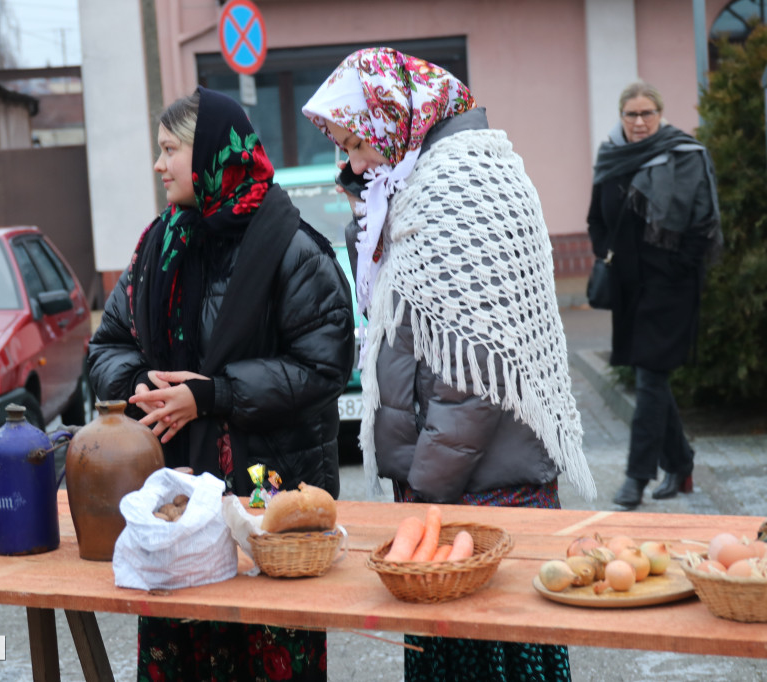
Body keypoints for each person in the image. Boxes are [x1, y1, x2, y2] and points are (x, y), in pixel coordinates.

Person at [303, 47, 596, 682]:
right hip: (459, 489)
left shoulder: (460, 190)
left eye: (356, 143)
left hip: (485, 493)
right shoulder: (421, 183)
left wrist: (425, 488)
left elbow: (475, 376)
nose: (352, 162)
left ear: (392, 121)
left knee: (495, 661)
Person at [88, 86, 354, 682]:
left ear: (212, 154)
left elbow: (324, 367)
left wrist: (213, 395)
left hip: (268, 508)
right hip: (177, 510)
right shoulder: (158, 246)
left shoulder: (291, 248)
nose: (158, 165)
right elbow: (107, 344)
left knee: (268, 653)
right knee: (182, 654)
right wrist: (142, 384)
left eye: (169, 150)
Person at [587, 81, 722, 509]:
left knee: (649, 377)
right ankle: (680, 463)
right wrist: (605, 254)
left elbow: (702, 223)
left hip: (671, 286)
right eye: (632, 114)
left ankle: (636, 478)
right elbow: (595, 218)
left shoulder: (685, 155)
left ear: (660, 114)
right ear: (621, 116)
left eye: (648, 113)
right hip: (628, 286)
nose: (640, 122)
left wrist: (679, 268)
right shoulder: (610, 155)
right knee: (653, 378)